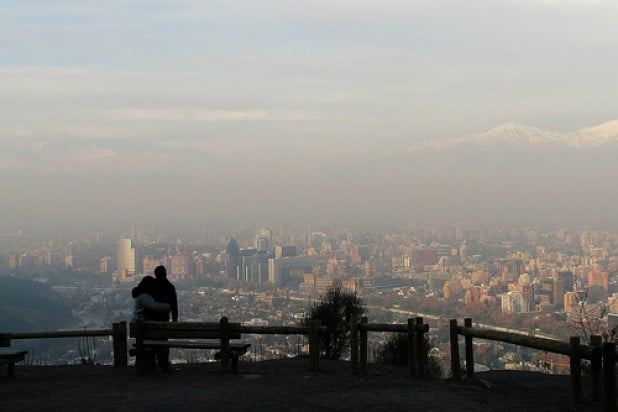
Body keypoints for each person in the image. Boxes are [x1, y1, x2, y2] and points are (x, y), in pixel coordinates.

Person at [131, 276, 170, 371]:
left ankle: (150, 365)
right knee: (161, 341)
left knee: (155, 341)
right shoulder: (144, 297)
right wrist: (169, 306)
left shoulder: (140, 296)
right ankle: (163, 365)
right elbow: (154, 306)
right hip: (145, 330)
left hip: (142, 331)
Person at [150, 265, 178, 372]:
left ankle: (152, 366)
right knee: (163, 344)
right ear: (165, 274)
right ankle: (164, 364)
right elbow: (174, 306)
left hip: (151, 322)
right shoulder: (170, 287)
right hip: (164, 321)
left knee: (153, 343)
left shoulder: (151, 287)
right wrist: (174, 321)